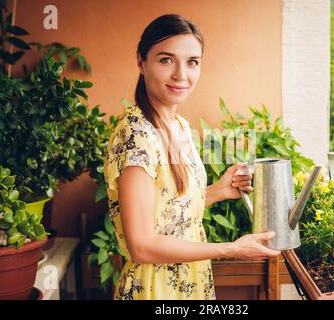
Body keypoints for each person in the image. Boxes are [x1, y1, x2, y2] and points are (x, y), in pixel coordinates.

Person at [103, 14, 280, 300]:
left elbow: (166, 212)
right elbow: (143, 245)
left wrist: (216, 192)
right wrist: (230, 249)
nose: (181, 75)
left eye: (192, 62)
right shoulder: (135, 136)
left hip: (191, 282)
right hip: (155, 288)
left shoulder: (179, 126)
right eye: (166, 60)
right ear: (141, 62)